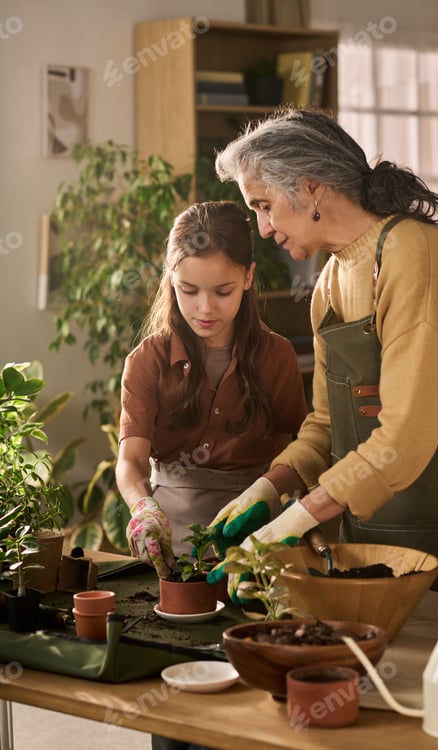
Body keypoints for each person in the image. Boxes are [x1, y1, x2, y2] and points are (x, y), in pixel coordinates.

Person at [207, 106, 438, 600]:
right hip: (374, 540)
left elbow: (403, 437)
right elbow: (327, 425)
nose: (261, 229)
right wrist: (270, 486)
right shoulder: (330, 283)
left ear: (310, 187)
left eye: (262, 205)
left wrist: (296, 519)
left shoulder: (414, 256)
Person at [116, 200, 307, 750]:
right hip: (168, 536)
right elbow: (131, 461)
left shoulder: (273, 356)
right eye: (187, 290)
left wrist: (273, 500)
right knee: (173, 697)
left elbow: (301, 451)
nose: (204, 307)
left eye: (222, 291)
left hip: (254, 534)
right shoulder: (148, 360)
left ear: (249, 277)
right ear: (169, 278)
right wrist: (142, 506)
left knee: (246, 695)